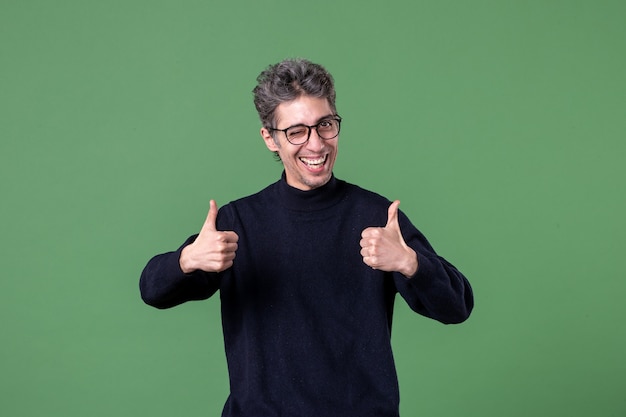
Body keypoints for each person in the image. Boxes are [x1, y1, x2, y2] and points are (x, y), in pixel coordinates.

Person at [140, 58, 473, 417]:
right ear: (270, 138)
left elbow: (457, 306)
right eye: (297, 131)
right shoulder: (238, 223)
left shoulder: (378, 219)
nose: (316, 144)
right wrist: (187, 259)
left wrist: (410, 263)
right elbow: (152, 290)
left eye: (325, 125)